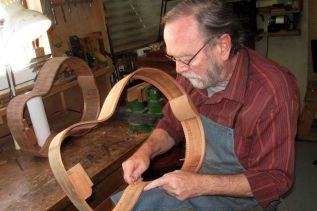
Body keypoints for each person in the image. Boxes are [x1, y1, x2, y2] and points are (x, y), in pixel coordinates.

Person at [112, 0, 300, 210]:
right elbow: (172, 124)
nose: (179, 69)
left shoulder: (272, 91)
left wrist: (201, 184)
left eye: (185, 58)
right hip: (196, 181)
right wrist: (145, 152)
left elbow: (276, 179)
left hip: (245, 199)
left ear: (222, 46)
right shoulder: (190, 73)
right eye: (173, 58)